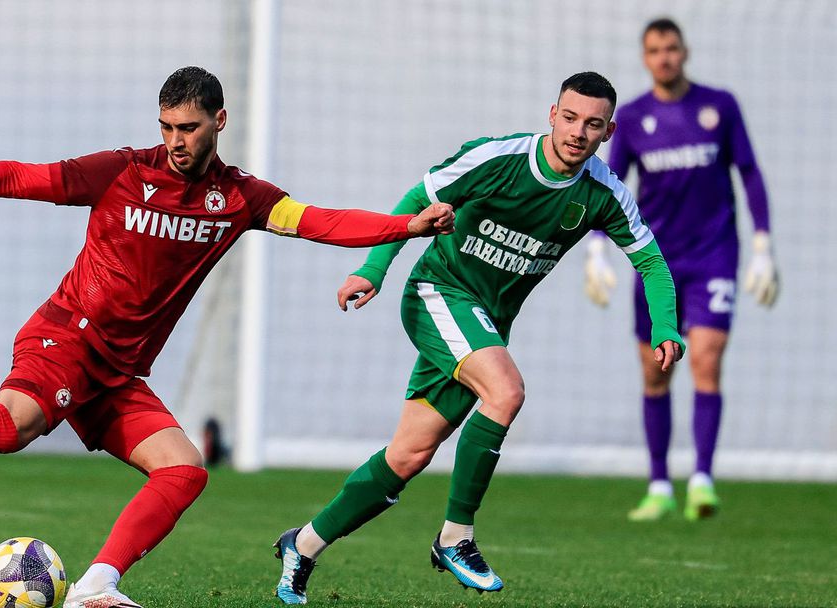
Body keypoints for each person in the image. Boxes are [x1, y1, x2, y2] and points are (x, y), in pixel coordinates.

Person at [0, 66, 455, 608]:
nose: (175, 140)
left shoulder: (241, 198)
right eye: (166, 126)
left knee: (184, 470)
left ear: (219, 122)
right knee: (5, 428)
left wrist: (405, 227)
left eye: (188, 127)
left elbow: (320, 221)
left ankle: (95, 585)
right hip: (67, 338)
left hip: (117, 372)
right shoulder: (123, 171)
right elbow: (19, 176)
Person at [272, 72, 685, 604]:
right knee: (506, 392)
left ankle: (303, 544)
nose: (577, 132)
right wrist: (374, 268)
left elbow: (651, 261)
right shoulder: (499, 157)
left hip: (485, 325)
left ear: (609, 131)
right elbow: (418, 198)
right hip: (437, 292)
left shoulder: (603, 193)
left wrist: (665, 325)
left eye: (592, 124)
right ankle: (455, 537)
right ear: (552, 114)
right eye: (569, 117)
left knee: (408, 456)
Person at [585, 18, 777, 522]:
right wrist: (596, 250)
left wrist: (762, 245)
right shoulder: (632, 117)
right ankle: (658, 485)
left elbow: (749, 172)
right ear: (645, 58)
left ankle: (703, 480)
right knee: (656, 370)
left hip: (714, 255)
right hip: (656, 263)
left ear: (684, 51)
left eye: (671, 48)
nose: (664, 57)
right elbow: (608, 183)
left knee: (706, 360)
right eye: (654, 50)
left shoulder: (720, 106)